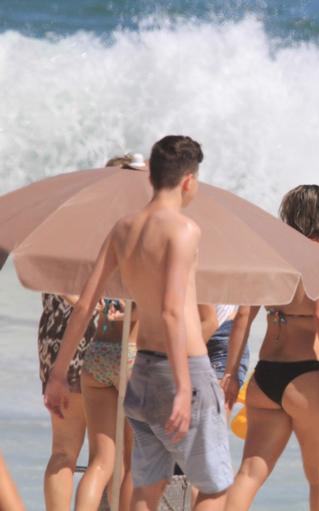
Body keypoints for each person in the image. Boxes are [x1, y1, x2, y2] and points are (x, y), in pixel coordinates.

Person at [44, 135, 233, 510]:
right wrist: (182, 386)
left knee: (148, 484)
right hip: (184, 370)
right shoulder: (184, 230)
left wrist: (59, 373)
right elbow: (172, 311)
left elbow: (84, 306)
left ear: (152, 178)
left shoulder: (123, 228)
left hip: (142, 371)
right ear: (188, 181)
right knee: (213, 487)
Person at [224, 185, 319, 511]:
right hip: (307, 377)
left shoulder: (268, 258)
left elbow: (243, 316)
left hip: (265, 377)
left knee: (249, 473)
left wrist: (231, 373)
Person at [73, 154, 143, 511]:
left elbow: (84, 300)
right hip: (132, 355)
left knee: (100, 462)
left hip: (97, 352)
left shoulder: (96, 234)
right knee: (133, 462)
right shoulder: (144, 233)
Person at [37, 292, 97, 511]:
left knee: (63, 450)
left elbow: (45, 271)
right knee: (103, 457)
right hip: (97, 329)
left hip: (55, 334)